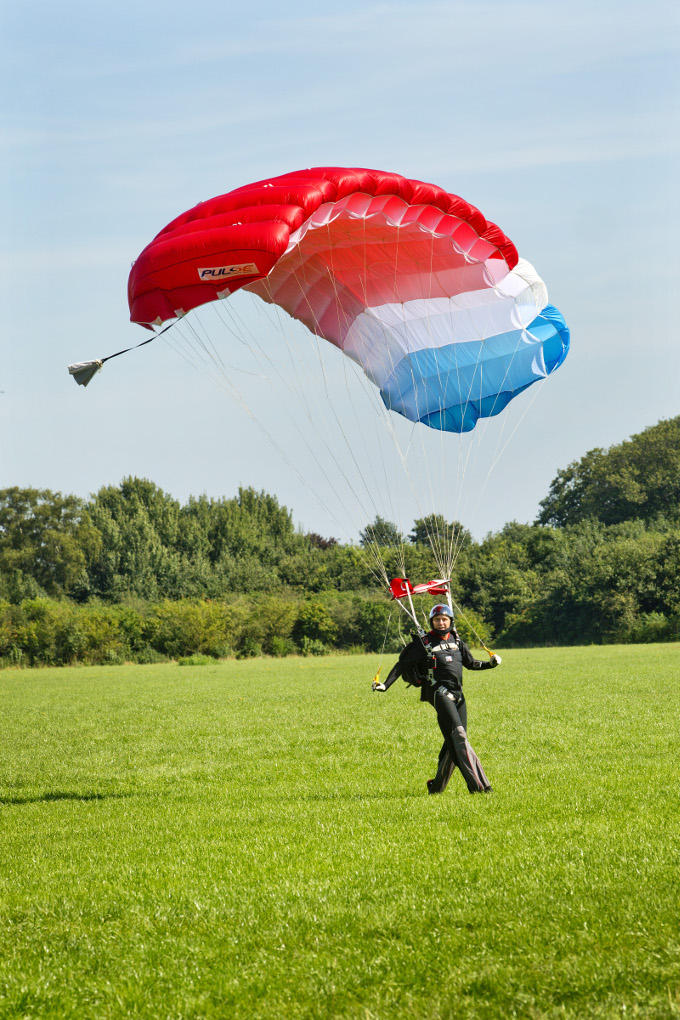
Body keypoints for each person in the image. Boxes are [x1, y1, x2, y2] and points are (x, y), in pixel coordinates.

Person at [373, 604, 501, 794]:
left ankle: (436, 787)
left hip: (459, 695)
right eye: (437, 620)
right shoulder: (424, 643)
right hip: (438, 693)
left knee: (453, 743)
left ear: (450, 621)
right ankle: (480, 787)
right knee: (459, 736)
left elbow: (471, 663)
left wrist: (490, 664)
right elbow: (402, 665)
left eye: (444, 619)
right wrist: (385, 684)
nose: (441, 623)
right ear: (432, 622)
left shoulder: (457, 640)